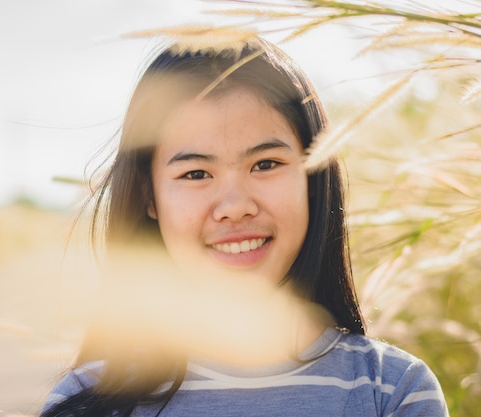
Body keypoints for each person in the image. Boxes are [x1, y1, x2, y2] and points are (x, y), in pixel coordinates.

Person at [41, 37, 448, 416]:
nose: (235, 207)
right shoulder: (86, 402)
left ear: (313, 177)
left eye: (266, 164)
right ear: (150, 197)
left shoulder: (392, 391)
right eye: (196, 173)